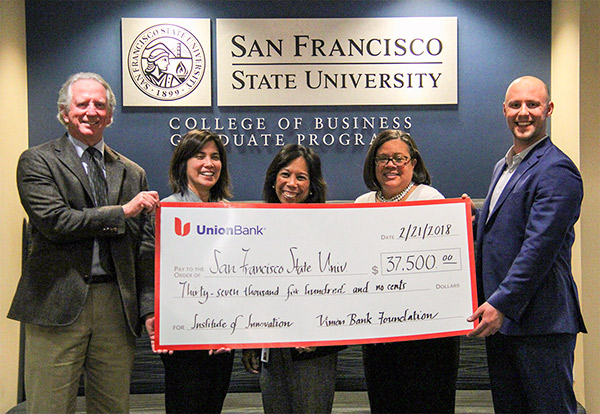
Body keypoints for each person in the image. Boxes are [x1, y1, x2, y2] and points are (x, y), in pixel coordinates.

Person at [8, 72, 159, 413]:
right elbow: (55, 222)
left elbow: (141, 251)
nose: (91, 110)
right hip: (57, 301)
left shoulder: (131, 172)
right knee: (49, 406)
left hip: (115, 306)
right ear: (64, 112)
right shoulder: (37, 160)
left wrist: (147, 307)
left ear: (109, 115)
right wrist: (121, 212)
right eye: (82, 103)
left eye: (100, 105)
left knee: (112, 407)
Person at [466, 76, 586, 413]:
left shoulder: (557, 169)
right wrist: (474, 219)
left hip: (540, 324)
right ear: (504, 110)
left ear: (548, 110)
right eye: (516, 105)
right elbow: (508, 230)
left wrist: (501, 303)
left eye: (532, 105)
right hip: (504, 323)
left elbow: (539, 248)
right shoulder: (502, 167)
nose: (524, 112)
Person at [355, 129, 460, 413]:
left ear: (413, 163)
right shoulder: (361, 204)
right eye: (383, 158)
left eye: (399, 158)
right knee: (384, 404)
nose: (391, 165)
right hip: (379, 335)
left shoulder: (431, 198)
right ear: (373, 164)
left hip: (427, 337)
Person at [242, 144, 343, 414]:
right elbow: (246, 287)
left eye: (301, 177)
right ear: (274, 178)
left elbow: (346, 291)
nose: (292, 183)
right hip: (271, 351)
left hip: (314, 353)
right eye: (285, 174)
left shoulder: (331, 228)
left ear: (312, 185)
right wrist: (248, 340)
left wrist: (325, 335)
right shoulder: (255, 225)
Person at [156, 129, 235, 413]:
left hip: (222, 340)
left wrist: (227, 329)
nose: (209, 163)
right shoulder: (166, 210)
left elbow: (237, 278)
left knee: (213, 405)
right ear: (184, 163)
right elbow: (157, 275)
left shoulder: (231, 214)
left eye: (215, 157)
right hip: (183, 338)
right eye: (199, 156)